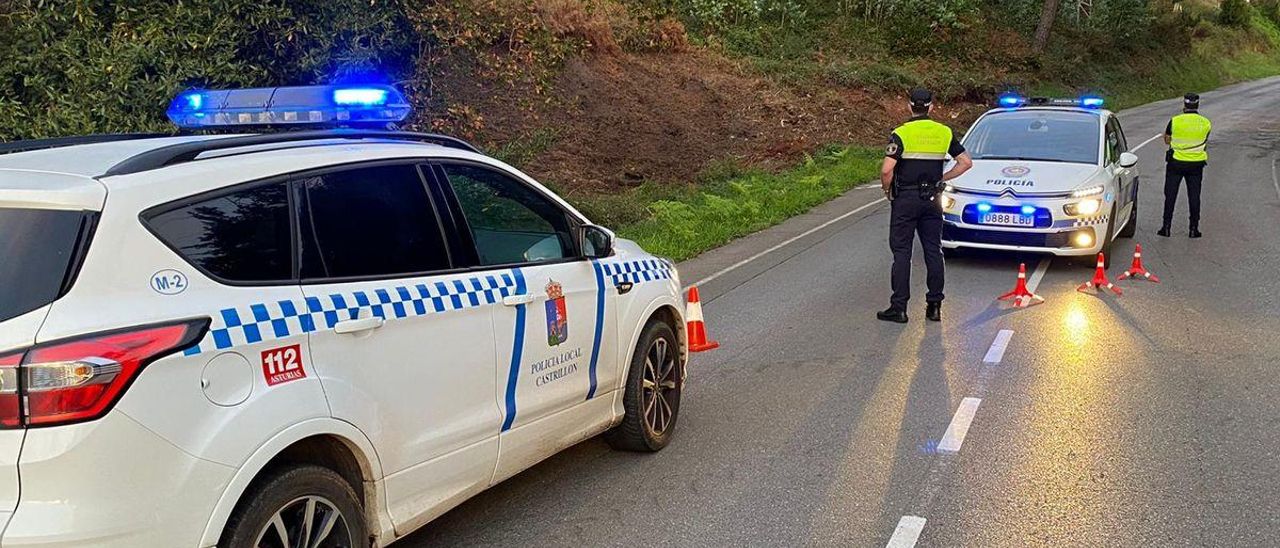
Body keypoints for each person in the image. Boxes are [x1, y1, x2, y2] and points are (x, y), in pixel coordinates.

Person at [877, 88, 973, 324]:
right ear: (931, 107)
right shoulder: (944, 132)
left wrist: (888, 190)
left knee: (902, 253)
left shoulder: (901, 133)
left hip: (905, 199)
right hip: (932, 199)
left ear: (909, 107)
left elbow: (887, 169)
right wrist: (944, 179)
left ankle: (898, 308)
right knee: (933, 250)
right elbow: (966, 162)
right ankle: (934, 307)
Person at [1159, 93, 1211, 238]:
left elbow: (1167, 140)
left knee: (1170, 195)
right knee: (1194, 196)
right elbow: (1204, 142)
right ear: (1197, 105)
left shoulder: (1175, 121)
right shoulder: (1206, 123)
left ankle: (1166, 227)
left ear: (1184, 104)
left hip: (1176, 163)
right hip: (1196, 165)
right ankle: (1194, 229)